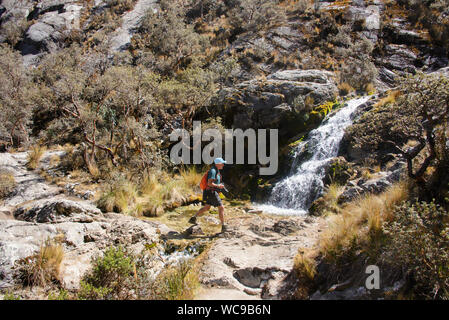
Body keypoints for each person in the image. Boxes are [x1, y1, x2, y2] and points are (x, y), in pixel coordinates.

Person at [189, 157, 228, 233]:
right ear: (218, 164)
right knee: (221, 208)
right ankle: (224, 226)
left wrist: (219, 185)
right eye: (222, 163)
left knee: (207, 207)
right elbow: (209, 183)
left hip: (210, 192)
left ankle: (193, 218)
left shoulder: (216, 170)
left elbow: (212, 183)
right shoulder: (213, 171)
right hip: (211, 192)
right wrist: (218, 186)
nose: (223, 164)